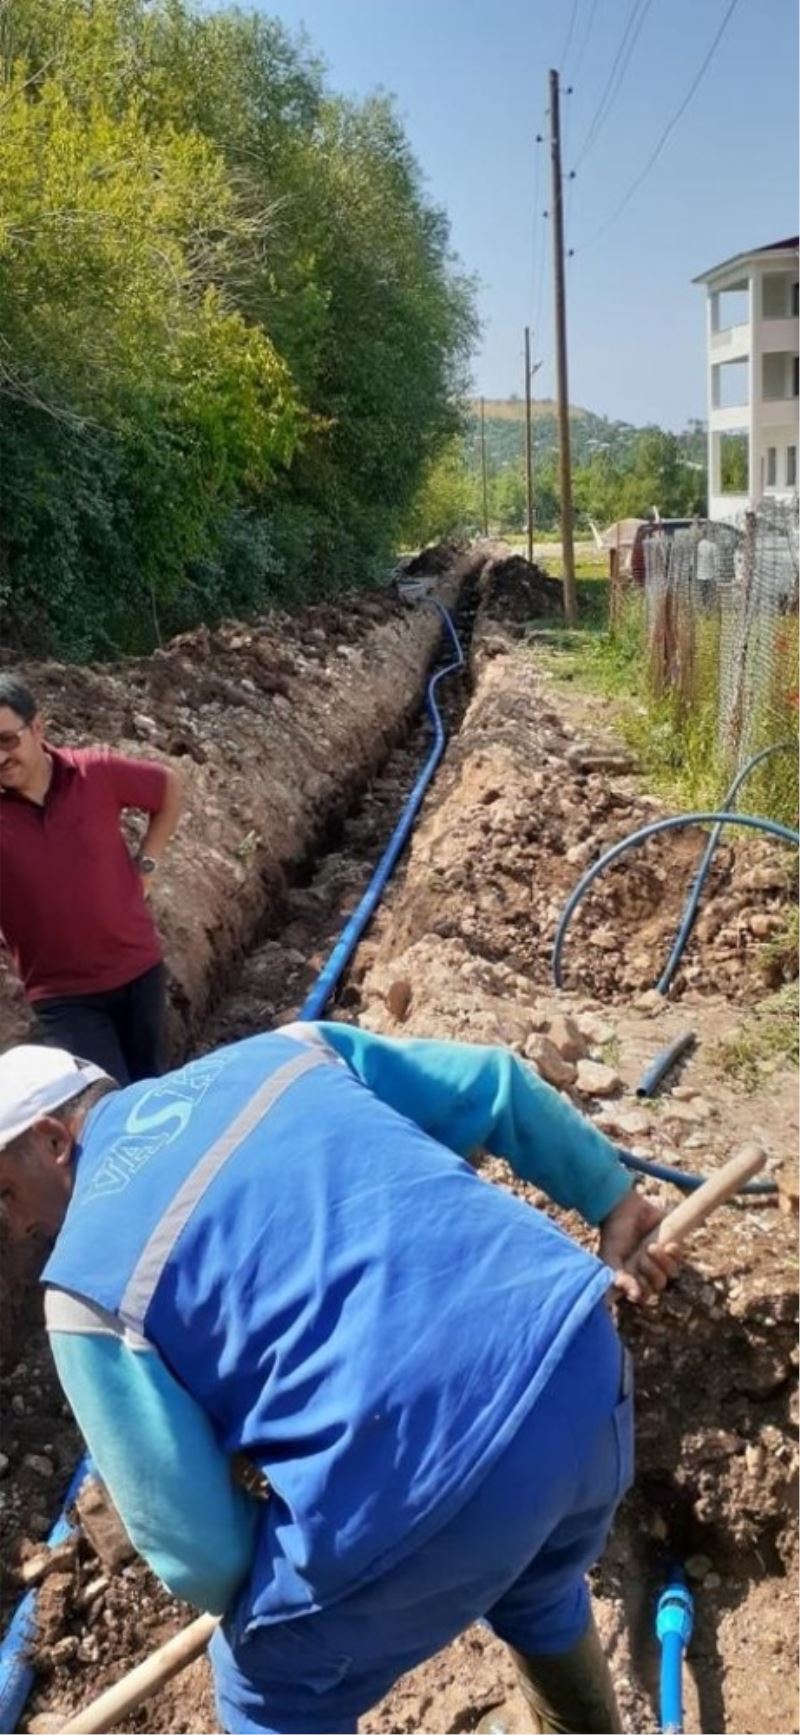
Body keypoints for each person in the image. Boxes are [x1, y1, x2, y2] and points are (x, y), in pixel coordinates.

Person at [0, 1024, 681, 1735]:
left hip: (423, 1476)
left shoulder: (82, 1292)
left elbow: (200, 1557)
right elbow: (493, 1085)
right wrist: (611, 1198)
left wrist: (290, 1508)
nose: (16, 1226)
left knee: (265, 1689)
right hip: (578, 1370)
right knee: (535, 1569)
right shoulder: (289, 1051)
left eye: (7, 1192)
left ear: (53, 1139)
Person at [0, 673, 181, 1083]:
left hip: (139, 971)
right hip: (62, 997)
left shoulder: (95, 772)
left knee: (152, 1087)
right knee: (104, 1099)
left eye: (7, 740)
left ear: (38, 727)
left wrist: (147, 865)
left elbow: (168, 787)